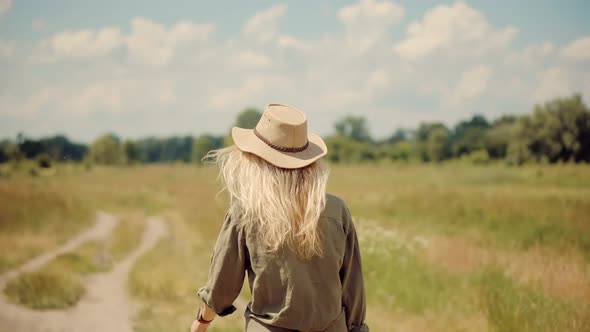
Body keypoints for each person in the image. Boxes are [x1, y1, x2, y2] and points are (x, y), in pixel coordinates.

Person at [190, 103, 369, 332]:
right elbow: (352, 288)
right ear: (310, 162)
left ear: (255, 159)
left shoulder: (245, 212)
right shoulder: (336, 210)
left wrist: (202, 320)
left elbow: (222, 286)